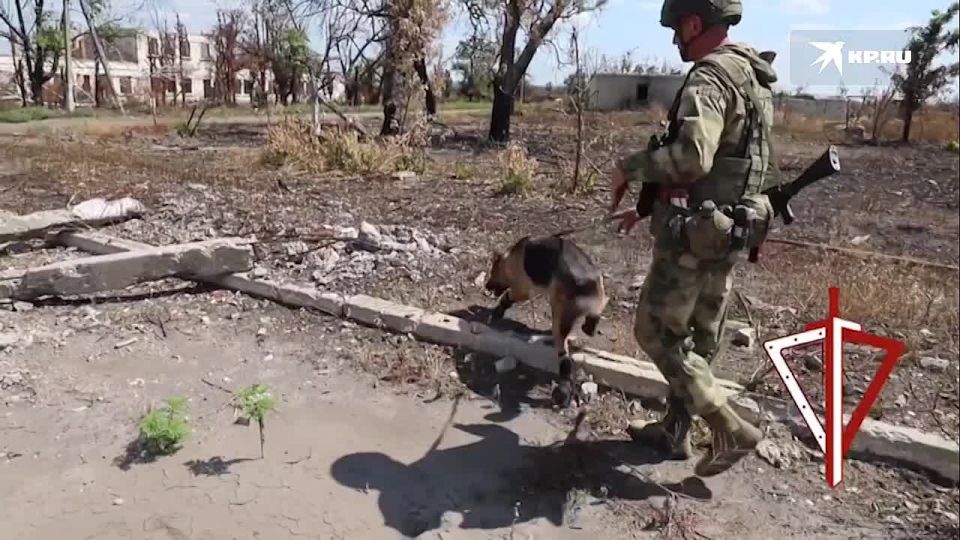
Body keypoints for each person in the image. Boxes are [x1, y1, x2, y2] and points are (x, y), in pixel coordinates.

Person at [608, 0, 778, 477]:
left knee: (656, 332)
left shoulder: (709, 77)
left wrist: (629, 167)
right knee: (699, 340)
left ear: (695, 23)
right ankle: (674, 432)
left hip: (692, 239)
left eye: (677, 29)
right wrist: (647, 207)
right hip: (730, 229)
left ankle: (729, 427)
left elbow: (693, 157)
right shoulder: (753, 77)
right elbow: (732, 164)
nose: (674, 39)